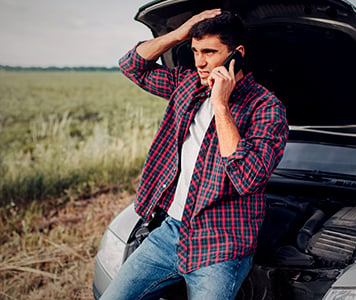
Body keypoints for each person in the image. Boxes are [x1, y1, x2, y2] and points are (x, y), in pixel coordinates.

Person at [101, 9, 288, 300]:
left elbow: (247, 178)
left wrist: (221, 107)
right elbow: (132, 66)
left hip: (222, 245)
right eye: (195, 51)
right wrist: (180, 33)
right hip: (171, 232)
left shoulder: (265, 106)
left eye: (210, 52)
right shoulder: (186, 84)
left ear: (236, 54)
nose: (200, 62)